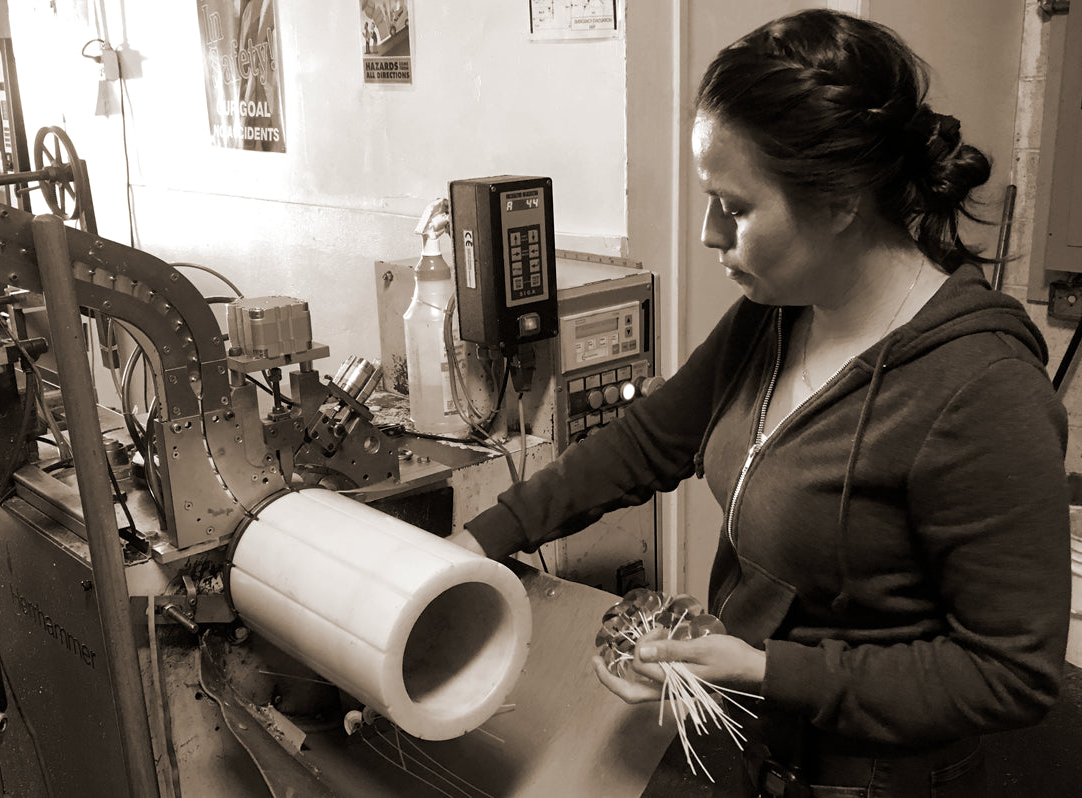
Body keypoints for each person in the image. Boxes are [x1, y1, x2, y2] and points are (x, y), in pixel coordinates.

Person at [449, 9, 1071, 797]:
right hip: (752, 740)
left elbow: (1008, 673)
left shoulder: (980, 391)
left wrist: (767, 668)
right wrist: (478, 541)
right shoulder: (776, 317)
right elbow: (645, 443)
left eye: (736, 208)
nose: (711, 234)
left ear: (841, 197)